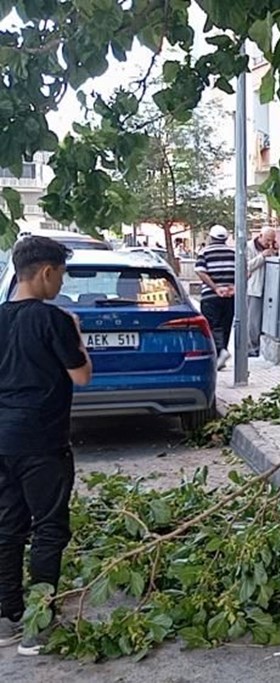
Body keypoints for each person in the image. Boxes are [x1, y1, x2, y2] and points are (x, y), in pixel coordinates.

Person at [0, 236, 92, 655]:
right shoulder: (54, 320)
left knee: (7, 526)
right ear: (46, 272)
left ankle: (8, 617)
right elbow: (81, 377)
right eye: (62, 274)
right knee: (49, 527)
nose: (61, 283)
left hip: (2, 438)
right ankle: (39, 623)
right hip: (43, 440)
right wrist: (77, 336)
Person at [195, 225, 236, 369]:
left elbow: (201, 271)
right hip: (230, 296)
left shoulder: (204, 252)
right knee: (226, 325)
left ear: (211, 237)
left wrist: (215, 288)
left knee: (212, 325)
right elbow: (245, 271)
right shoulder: (234, 252)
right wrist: (234, 288)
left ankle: (220, 352)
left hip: (210, 295)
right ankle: (221, 356)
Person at [246, 227, 278, 357]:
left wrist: (276, 252)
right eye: (267, 240)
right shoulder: (249, 247)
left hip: (269, 288)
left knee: (266, 320)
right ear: (260, 236)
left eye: (272, 240)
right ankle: (251, 348)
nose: (269, 243)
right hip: (255, 288)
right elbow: (247, 266)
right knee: (253, 321)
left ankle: (262, 347)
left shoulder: (271, 248)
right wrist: (262, 256)